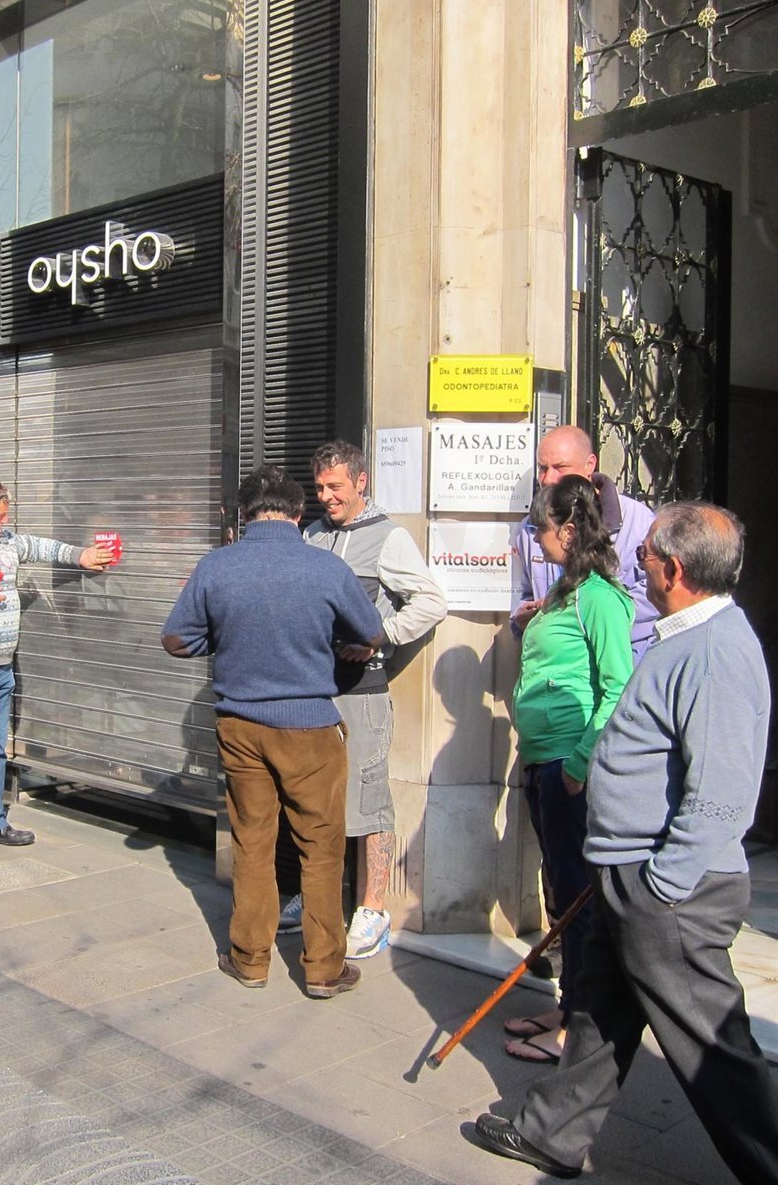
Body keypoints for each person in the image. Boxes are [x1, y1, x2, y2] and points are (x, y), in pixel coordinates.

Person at [472, 501, 778, 1183]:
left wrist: (660, 884)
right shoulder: (684, 635)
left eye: (646, 558)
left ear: (675, 569)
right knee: (599, 1009)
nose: (638, 566)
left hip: (667, 891)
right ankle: (551, 1134)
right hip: (628, 874)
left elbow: (723, 792)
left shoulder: (715, 651)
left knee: (713, 1047)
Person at [162, 465, 385, 999]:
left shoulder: (216, 566)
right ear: (299, 512)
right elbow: (372, 631)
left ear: (243, 514)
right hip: (311, 727)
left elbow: (176, 639)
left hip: (240, 726)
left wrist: (221, 637)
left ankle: (249, 960)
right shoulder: (325, 567)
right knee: (322, 848)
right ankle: (324, 969)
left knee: (253, 843)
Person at [278, 440, 447, 959]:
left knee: (368, 801)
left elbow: (432, 602)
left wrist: (381, 636)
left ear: (361, 482)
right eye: (320, 487)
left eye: (336, 486)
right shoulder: (311, 535)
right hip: (313, 690)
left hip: (363, 694)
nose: (327, 496)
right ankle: (315, 893)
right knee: (311, 797)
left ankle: (373, 908)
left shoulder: (389, 537)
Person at [502, 475, 633, 1064]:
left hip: (567, 766)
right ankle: (566, 1006)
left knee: (578, 899)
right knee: (562, 896)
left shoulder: (599, 596)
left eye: (542, 527)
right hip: (543, 763)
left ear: (571, 530)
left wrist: (579, 764)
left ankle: (576, 1031)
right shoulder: (562, 590)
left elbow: (618, 687)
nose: (536, 537)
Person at [0, 475, 114, 845]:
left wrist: (81, 555)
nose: (5, 522)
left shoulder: (7, 541)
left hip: (2, 667)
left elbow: (43, 547)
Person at [512, 425, 656, 660]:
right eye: (542, 468)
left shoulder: (638, 521)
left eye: (560, 467)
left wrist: (584, 619)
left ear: (590, 465)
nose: (548, 479)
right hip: (557, 668)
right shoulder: (530, 530)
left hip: (620, 660)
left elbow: (655, 593)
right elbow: (525, 594)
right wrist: (524, 616)